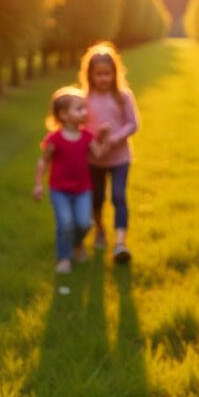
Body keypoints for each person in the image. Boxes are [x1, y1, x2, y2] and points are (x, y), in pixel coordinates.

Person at [34, 86, 107, 274]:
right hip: (60, 190)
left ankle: (76, 244)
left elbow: (98, 155)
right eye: (79, 108)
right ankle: (64, 257)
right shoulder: (55, 139)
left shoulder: (87, 136)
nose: (84, 112)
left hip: (83, 189)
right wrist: (38, 185)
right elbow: (43, 161)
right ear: (64, 115)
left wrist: (104, 137)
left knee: (84, 223)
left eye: (84, 107)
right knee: (65, 223)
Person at [79, 43, 139, 264]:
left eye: (107, 73)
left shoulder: (123, 96)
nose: (103, 78)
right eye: (98, 74)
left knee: (119, 196)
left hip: (119, 158)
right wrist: (94, 140)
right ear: (90, 75)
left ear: (115, 73)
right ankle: (100, 229)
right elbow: (80, 126)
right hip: (94, 159)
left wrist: (114, 139)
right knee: (96, 198)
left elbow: (133, 124)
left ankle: (120, 243)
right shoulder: (84, 98)